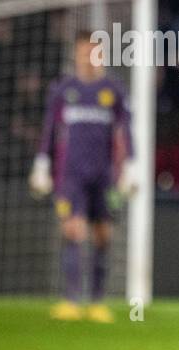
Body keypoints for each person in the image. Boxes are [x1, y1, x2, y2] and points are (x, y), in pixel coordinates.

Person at [29, 32, 137, 322]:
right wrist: (41, 164)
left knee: (102, 235)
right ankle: (72, 300)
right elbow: (50, 130)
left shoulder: (113, 89)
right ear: (76, 54)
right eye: (84, 51)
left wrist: (131, 166)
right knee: (73, 230)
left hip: (104, 176)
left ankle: (98, 301)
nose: (89, 57)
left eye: (94, 51)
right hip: (71, 175)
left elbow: (126, 130)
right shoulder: (63, 89)